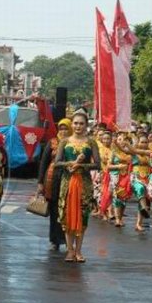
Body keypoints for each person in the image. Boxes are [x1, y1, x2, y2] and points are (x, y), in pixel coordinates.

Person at [55, 110, 100, 262]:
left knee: (83, 216)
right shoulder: (65, 142)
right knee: (67, 216)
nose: (78, 126)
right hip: (67, 182)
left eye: (81, 123)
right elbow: (57, 163)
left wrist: (82, 165)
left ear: (86, 125)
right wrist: (69, 163)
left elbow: (98, 164)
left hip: (84, 183)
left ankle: (79, 250)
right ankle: (70, 250)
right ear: (71, 124)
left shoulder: (91, 142)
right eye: (75, 123)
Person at [37, 118, 71, 251]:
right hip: (52, 181)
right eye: (61, 129)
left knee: (68, 211)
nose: (63, 131)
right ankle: (55, 240)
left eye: (66, 128)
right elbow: (43, 163)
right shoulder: (52, 142)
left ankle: (68, 240)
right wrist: (40, 182)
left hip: (69, 179)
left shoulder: (74, 143)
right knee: (54, 211)